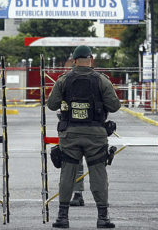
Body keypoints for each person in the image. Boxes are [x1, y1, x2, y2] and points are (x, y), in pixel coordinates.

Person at [47, 45, 121, 228]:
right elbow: (114, 106)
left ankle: (62, 217)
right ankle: (102, 218)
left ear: (73, 60)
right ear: (91, 59)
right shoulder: (101, 81)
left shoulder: (64, 80)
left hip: (70, 134)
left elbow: (51, 104)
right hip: (96, 135)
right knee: (98, 175)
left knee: (67, 175)